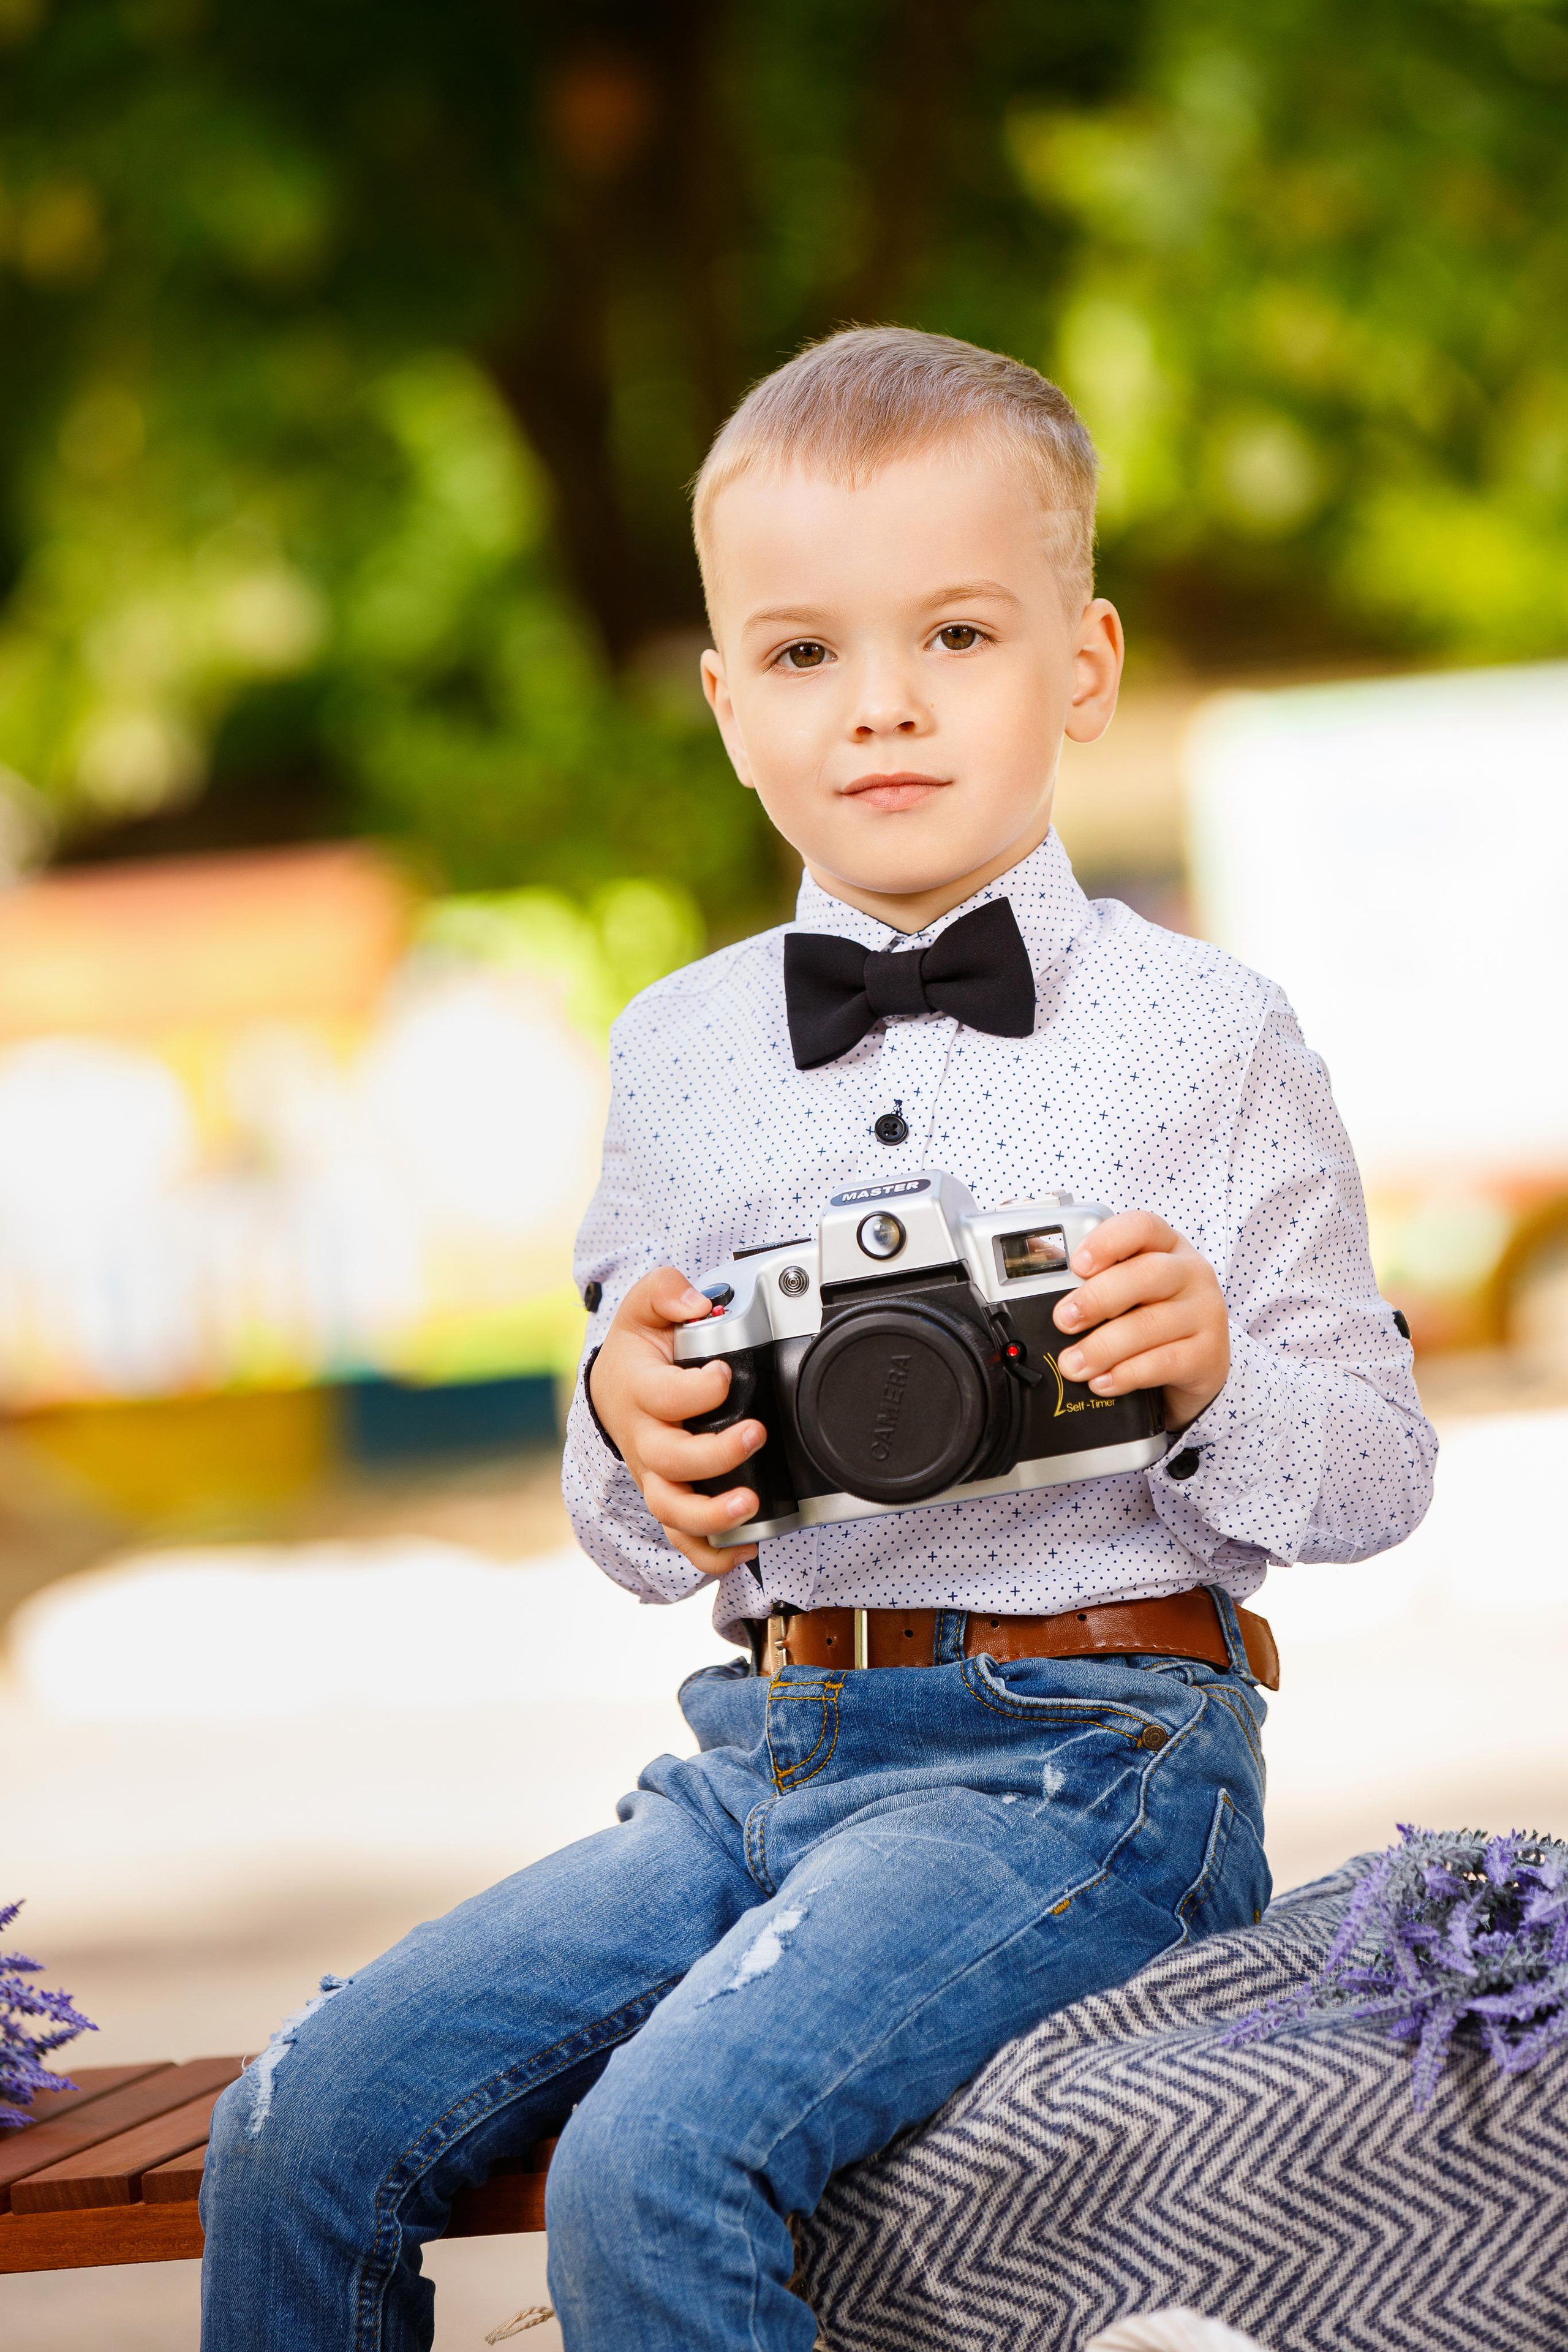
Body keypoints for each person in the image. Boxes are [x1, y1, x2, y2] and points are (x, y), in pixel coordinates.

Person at [200, 328, 1436, 2352]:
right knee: (291, 2124)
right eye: (801, 656)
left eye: (955, 634)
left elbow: (1379, 1473)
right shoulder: (674, 1050)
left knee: (648, 2164)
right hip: (750, 1757)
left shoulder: (1216, 1038)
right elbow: (628, 1519)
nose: (879, 707)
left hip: (1091, 1766)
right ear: (722, 705)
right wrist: (630, 1425)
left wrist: (1211, 1378)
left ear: (1084, 663)